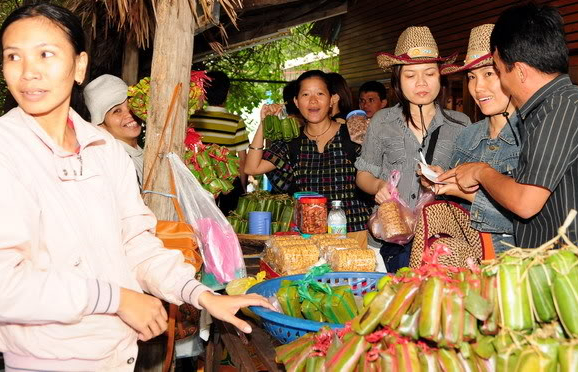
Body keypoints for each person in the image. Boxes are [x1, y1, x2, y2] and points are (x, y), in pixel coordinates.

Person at [0, 4, 273, 370]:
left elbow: (135, 241)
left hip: (120, 355)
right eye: (14, 56)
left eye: (46, 54)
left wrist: (199, 294)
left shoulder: (104, 150)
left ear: (78, 66)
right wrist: (116, 298)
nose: (29, 72)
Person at [447, 3, 578, 247]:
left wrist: (480, 172)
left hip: (570, 274)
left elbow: (525, 203)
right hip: (555, 267)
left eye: (496, 70)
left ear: (519, 70)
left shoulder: (559, 108)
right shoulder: (555, 105)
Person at [355, 26, 470, 270]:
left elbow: (470, 185)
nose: (421, 83)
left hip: (441, 244)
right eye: (410, 75)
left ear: (441, 76)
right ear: (397, 79)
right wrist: (378, 186)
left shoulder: (461, 125)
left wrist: (447, 179)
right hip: (388, 238)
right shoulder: (382, 121)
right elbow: (363, 175)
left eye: (429, 73)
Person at [424, 24, 519, 254]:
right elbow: (459, 213)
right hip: (468, 266)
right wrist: (444, 180)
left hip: (515, 272)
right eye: (471, 77)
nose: (478, 88)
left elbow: (534, 220)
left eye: (489, 74)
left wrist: (464, 192)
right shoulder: (467, 135)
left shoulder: (535, 136)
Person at [244, 70, 371, 236]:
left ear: (332, 99)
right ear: (296, 102)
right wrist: (263, 123)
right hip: (308, 239)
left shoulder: (353, 134)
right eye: (305, 94)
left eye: (320, 93)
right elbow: (252, 168)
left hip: (354, 236)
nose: (313, 100)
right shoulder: (292, 141)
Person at [189, 71, 249, 215]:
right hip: (228, 186)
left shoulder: (192, 119)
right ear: (227, 93)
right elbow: (242, 160)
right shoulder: (235, 121)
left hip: (199, 184)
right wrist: (243, 188)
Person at [84, 74, 144, 184]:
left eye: (130, 105)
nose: (129, 114)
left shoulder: (143, 153)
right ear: (101, 125)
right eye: (117, 111)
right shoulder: (117, 163)